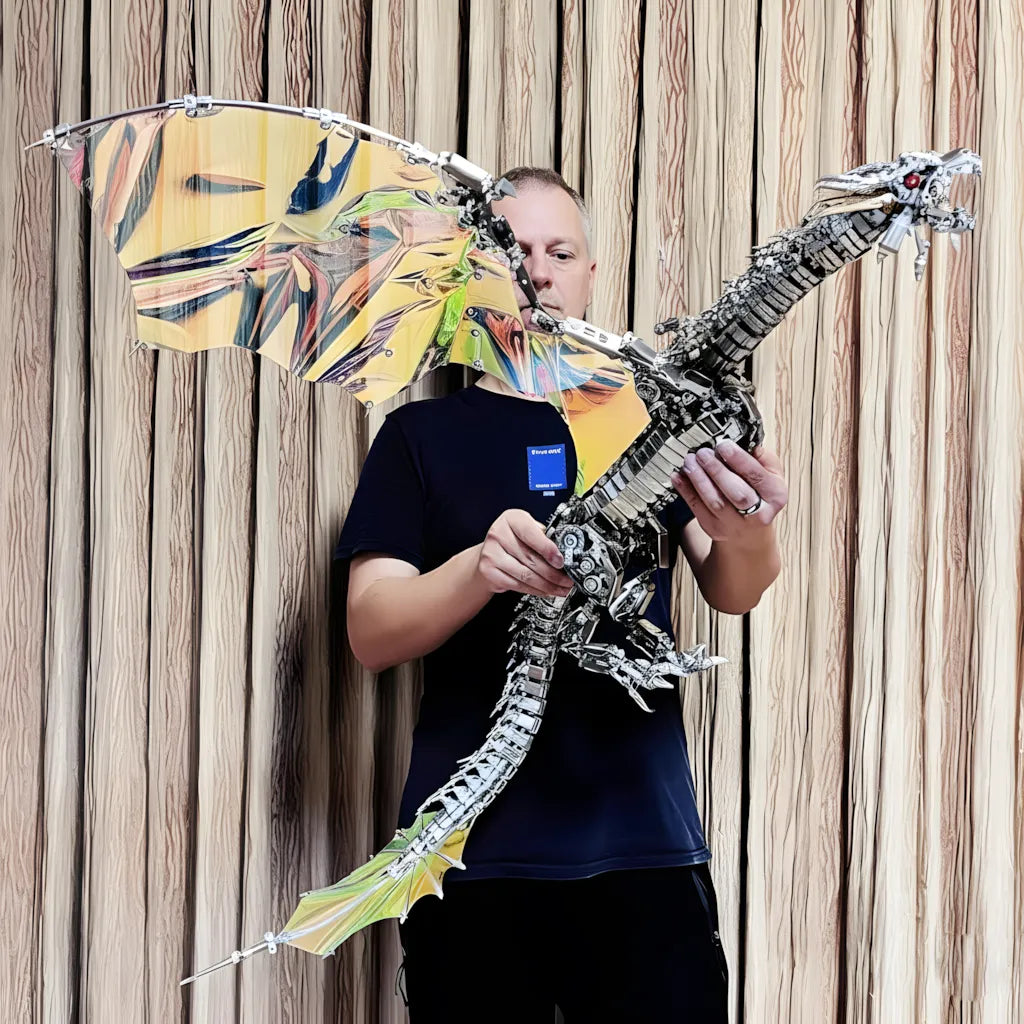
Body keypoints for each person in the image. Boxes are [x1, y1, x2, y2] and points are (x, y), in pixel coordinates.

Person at [335, 167, 789, 1022]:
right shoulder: (417, 437)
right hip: (468, 861)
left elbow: (736, 589)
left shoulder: (646, 416)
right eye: (512, 251)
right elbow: (371, 631)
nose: (537, 271)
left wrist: (751, 527)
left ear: (589, 273)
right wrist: (480, 566)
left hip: (645, 845)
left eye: (560, 251)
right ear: (470, 273)